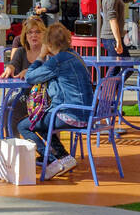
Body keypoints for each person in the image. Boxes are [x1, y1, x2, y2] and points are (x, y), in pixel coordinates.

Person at [19, 23, 94, 178]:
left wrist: (40, 56)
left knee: (25, 126)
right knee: (42, 122)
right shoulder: (75, 56)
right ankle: (63, 157)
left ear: (49, 43)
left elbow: (30, 77)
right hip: (87, 114)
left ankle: (54, 160)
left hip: (70, 114)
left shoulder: (58, 61)